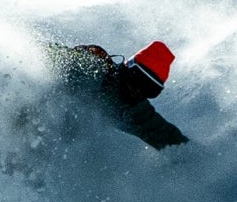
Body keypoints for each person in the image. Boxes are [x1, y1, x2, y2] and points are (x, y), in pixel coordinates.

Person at [48, 40, 188, 149]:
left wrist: (194, 158)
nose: (138, 92)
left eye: (149, 91)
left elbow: (165, 135)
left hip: (61, 142)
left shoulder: (134, 109)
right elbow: (44, 56)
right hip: (45, 111)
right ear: (127, 70)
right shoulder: (93, 68)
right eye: (138, 82)